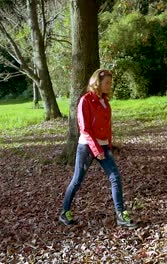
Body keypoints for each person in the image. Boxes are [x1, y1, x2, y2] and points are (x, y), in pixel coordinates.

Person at [59, 69, 136, 228]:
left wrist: (108, 145)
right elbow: (85, 129)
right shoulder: (85, 100)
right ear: (97, 83)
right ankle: (64, 211)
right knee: (77, 180)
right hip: (87, 146)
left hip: (103, 146)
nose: (109, 86)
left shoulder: (105, 102)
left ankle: (121, 214)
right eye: (106, 83)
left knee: (115, 177)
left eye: (110, 83)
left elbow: (107, 126)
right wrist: (96, 150)